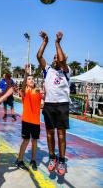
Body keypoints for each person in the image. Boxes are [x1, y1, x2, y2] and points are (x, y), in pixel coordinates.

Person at [37, 31, 71, 176]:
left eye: (57, 57)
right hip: (49, 105)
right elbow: (39, 56)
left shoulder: (67, 71)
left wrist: (57, 43)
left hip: (62, 105)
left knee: (61, 135)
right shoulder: (48, 70)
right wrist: (46, 41)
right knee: (50, 133)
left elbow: (62, 60)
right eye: (54, 56)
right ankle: (52, 157)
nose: (55, 58)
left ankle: (61, 160)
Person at [16, 65, 43, 171]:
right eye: (29, 79)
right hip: (26, 120)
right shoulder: (24, 91)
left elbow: (41, 104)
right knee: (26, 140)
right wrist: (26, 74)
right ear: (26, 82)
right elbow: (22, 87)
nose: (31, 80)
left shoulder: (37, 92)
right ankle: (19, 160)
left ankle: (33, 160)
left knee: (34, 141)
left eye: (32, 79)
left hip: (36, 121)